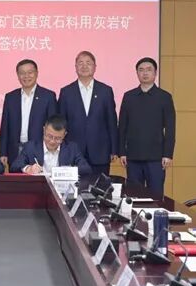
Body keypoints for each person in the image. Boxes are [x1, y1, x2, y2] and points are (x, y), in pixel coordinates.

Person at [119, 57, 176, 199]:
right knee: (134, 196)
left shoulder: (164, 97)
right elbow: (122, 127)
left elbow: (170, 128)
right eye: (141, 70)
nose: (145, 73)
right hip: (133, 157)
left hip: (156, 158)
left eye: (149, 70)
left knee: (156, 197)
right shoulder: (129, 97)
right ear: (137, 73)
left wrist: (168, 154)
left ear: (155, 73)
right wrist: (122, 152)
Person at [58, 51, 118, 176]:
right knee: (74, 187)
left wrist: (113, 149)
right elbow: (61, 123)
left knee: (99, 186)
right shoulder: (66, 92)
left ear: (95, 67)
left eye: (88, 63)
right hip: (73, 151)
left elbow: (111, 122)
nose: (84, 66)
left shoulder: (105, 91)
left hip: (100, 151)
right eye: (80, 63)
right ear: (75, 67)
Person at [0, 59, 57, 168]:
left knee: (38, 178)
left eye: (30, 72)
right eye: (22, 73)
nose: (26, 76)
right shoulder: (11, 97)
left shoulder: (48, 96)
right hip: (15, 150)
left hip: (39, 149)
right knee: (16, 177)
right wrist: (2, 152)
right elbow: (5, 126)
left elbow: (53, 127)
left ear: (37, 73)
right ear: (18, 75)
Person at [10, 114, 92, 176]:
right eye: (49, 136)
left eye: (57, 138)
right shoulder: (31, 147)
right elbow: (14, 166)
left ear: (64, 135)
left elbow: (86, 169)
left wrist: (67, 171)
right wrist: (28, 168)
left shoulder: (72, 148)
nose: (52, 141)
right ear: (44, 130)